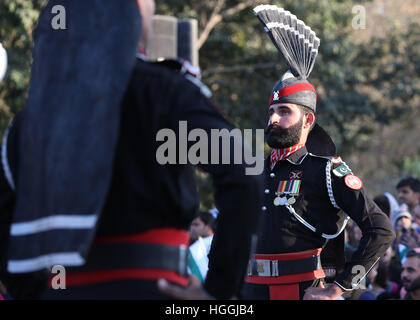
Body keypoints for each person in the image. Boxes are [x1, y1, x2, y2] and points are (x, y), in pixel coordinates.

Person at [0, 0, 262, 300]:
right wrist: (218, 292)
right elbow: (244, 172)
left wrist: (32, 292)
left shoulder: (29, 118)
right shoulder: (163, 90)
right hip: (156, 290)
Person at [240, 4, 395, 300]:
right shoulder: (253, 170)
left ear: (308, 120)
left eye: (284, 111)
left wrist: (342, 288)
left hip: (302, 292)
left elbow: (381, 229)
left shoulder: (326, 171)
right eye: (271, 111)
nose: (272, 119)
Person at [187, 211, 216, 282]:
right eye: (191, 224)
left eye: (196, 224)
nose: (192, 227)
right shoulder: (198, 244)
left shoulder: (198, 246)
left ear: (208, 226)